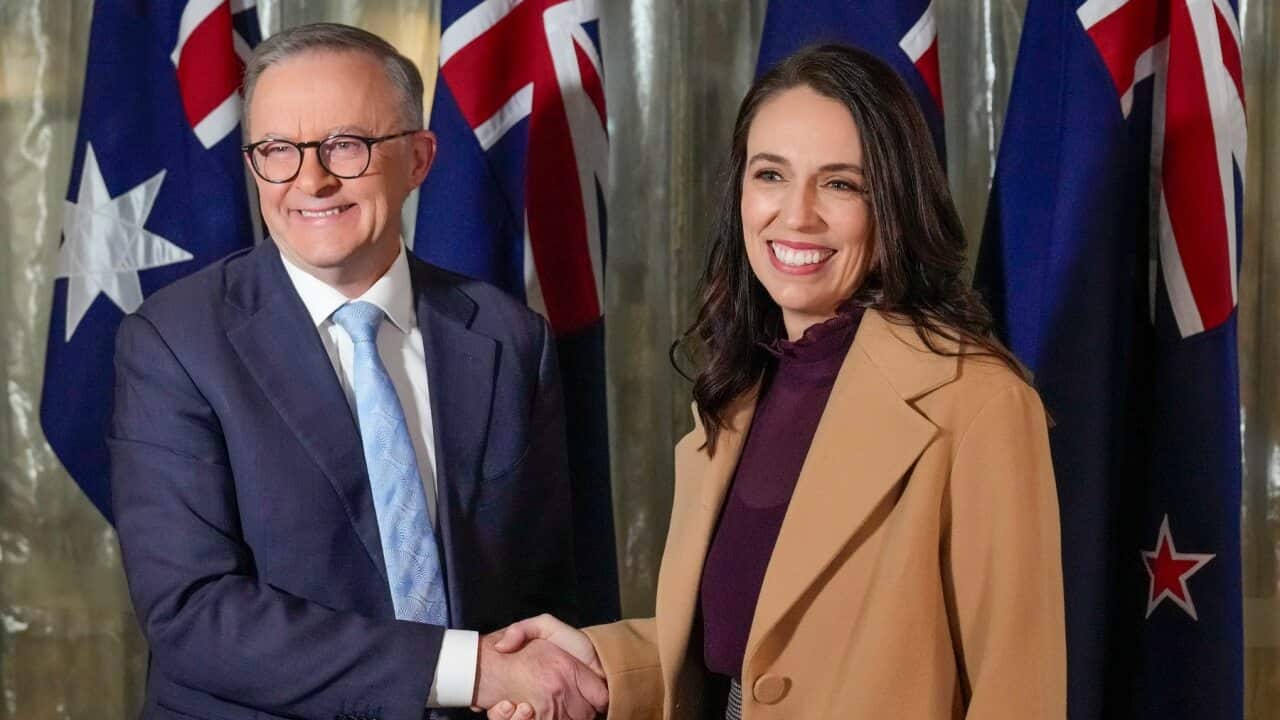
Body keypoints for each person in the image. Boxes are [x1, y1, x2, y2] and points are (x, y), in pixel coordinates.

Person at [487, 44, 1066, 720]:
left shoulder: (978, 401)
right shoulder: (737, 387)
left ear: (896, 207)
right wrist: (594, 664)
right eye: (771, 175)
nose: (797, 215)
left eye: (841, 184)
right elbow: (743, 643)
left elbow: (1016, 689)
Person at [109, 23, 606, 720]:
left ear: (420, 158)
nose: (311, 180)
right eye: (277, 150)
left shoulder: (509, 337)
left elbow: (544, 588)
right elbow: (195, 613)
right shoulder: (173, 342)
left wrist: (529, 689)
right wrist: (470, 672)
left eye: (348, 144)